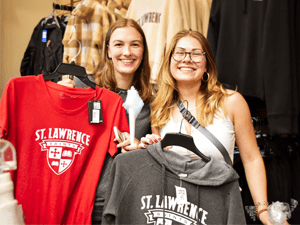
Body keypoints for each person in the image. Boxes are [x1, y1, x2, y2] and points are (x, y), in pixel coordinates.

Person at [139, 30, 289, 225]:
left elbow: (251, 158)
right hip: (174, 210)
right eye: (180, 52)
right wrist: (146, 148)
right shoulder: (159, 108)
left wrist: (262, 209)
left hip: (220, 206)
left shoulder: (231, 101)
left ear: (207, 63)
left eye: (196, 53)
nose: (187, 59)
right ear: (169, 61)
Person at [59, 18, 152, 224]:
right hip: (85, 201)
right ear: (108, 50)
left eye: (135, 45)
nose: (127, 52)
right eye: (119, 44)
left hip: (131, 201)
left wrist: (141, 148)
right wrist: (62, 95)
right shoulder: (83, 90)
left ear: (143, 51)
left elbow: (157, 149)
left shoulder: (153, 101)